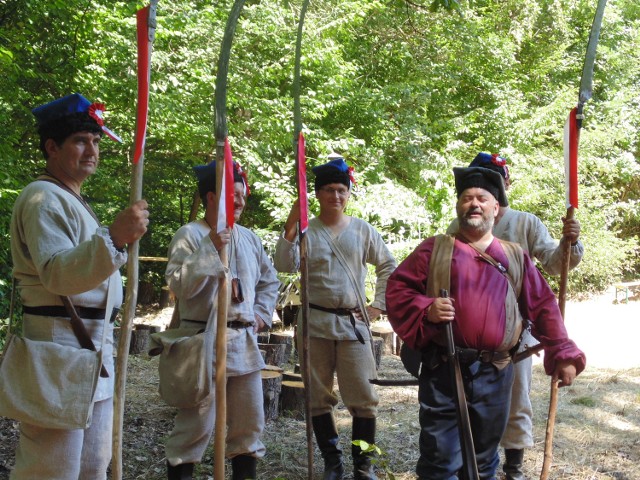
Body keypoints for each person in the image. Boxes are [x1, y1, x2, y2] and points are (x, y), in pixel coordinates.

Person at [385, 165, 586, 480]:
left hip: (495, 373)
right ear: (458, 206)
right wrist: (426, 309)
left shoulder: (515, 256)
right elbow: (397, 290)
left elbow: (543, 306)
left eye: (481, 198)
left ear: (496, 207)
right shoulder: (434, 250)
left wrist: (563, 354)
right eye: (466, 198)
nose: (474, 204)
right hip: (443, 370)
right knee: (439, 461)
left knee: (483, 462)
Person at [9, 93, 149, 479]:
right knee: (51, 469)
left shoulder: (72, 199)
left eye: (97, 141)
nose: (92, 150)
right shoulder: (42, 199)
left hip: (90, 348)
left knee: (91, 465)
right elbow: (58, 274)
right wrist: (116, 237)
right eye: (80, 141)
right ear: (52, 147)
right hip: (59, 347)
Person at [447, 152, 584, 480]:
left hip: (517, 332)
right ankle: (475, 463)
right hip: (469, 333)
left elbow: (554, 263)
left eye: (496, 177)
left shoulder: (525, 222)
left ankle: (513, 467)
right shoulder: (459, 224)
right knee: (467, 399)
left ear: (503, 183)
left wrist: (570, 243)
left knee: (515, 398)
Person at [274, 154, 397, 480]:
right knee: (317, 397)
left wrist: (378, 305)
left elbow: (388, 265)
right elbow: (284, 266)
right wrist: (289, 228)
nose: (336, 196)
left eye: (342, 190)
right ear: (317, 194)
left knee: (364, 397)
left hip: (353, 324)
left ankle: (363, 465)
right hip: (314, 324)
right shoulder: (306, 231)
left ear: (348, 193)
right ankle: (332, 463)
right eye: (329, 189)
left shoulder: (362, 231)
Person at [163, 160, 279, 480]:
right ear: (211, 198)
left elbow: (270, 281)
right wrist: (209, 249)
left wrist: (259, 315)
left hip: (243, 342)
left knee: (249, 423)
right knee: (195, 425)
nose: (240, 201)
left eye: (242, 195)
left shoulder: (250, 238)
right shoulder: (190, 234)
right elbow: (179, 285)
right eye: (233, 195)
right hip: (202, 341)